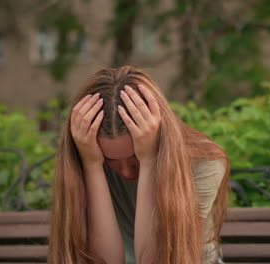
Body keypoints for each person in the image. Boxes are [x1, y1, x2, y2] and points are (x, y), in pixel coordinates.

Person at [47, 66, 230, 264]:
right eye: (110, 160)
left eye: (134, 156)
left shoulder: (204, 161)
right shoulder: (88, 156)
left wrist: (150, 160)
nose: (125, 172)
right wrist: (92, 165)